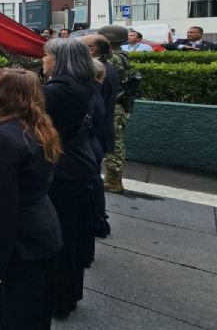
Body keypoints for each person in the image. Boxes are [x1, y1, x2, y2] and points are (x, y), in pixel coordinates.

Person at [0, 68, 63, 330]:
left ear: (5, 98)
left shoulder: (2, 139)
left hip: (17, 246)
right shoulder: (37, 126)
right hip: (41, 234)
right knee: (35, 315)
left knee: (16, 317)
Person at [41, 38, 97, 318]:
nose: (43, 60)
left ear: (59, 60)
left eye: (46, 55)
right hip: (80, 163)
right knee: (72, 235)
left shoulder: (57, 91)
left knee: (58, 239)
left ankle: (58, 300)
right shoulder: (82, 84)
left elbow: (30, 120)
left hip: (62, 170)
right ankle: (69, 294)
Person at [82, 35, 119, 238]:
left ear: (93, 50)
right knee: (93, 181)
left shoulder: (96, 72)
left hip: (93, 137)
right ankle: (97, 220)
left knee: (91, 183)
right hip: (98, 136)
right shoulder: (107, 68)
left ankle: (95, 221)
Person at [98, 25, 138, 194]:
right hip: (117, 104)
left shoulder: (112, 58)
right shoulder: (121, 55)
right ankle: (113, 179)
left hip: (114, 106)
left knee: (113, 143)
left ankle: (113, 181)